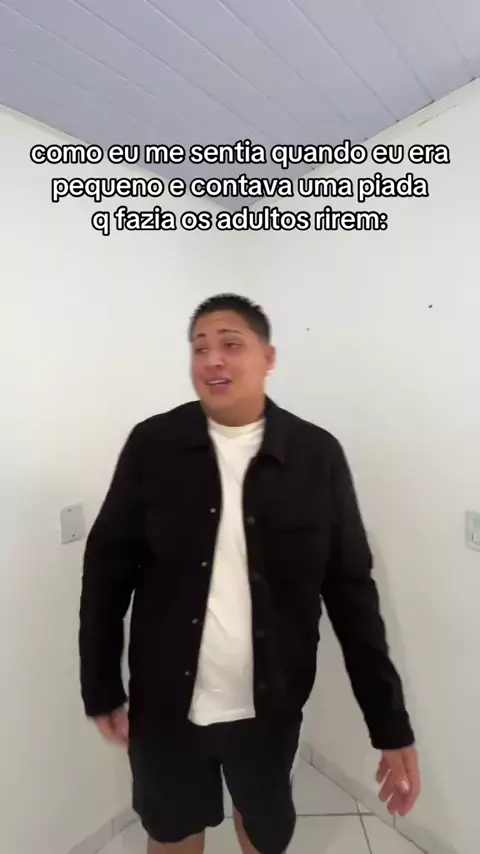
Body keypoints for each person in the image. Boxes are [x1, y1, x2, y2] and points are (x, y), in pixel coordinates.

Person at [79, 293, 420, 854]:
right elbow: (106, 570)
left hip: (270, 708)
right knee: (171, 834)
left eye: (230, 344)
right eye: (199, 347)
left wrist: (390, 727)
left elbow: (352, 594)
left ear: (268, 357)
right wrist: (101, 687)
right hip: (166, 706)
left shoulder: (316, 456)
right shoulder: (153, 445)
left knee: (260, 831)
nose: (212, 359)